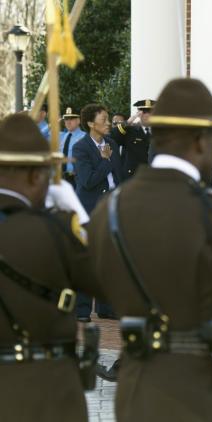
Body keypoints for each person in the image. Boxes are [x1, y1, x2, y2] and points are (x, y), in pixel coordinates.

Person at [86, 78, 212, 421]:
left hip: (137, 393)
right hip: (206, 393)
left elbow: (97, 284)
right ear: (200, 141)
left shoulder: (109, 210)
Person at [0, 113, 100, 422]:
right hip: (49, 393)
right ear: (34, 176)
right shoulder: (58, 231)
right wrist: (77, 217)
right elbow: (108, 280)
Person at [73, 104, 123, 322]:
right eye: (104, 119)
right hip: (90, 209)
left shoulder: (111, 143)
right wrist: (104, 161)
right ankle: (82, 310)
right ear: (91, 123)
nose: (109, 123)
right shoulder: (80, 148)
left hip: (111, 207)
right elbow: (88, 181)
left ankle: (106, 306)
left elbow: (119, 175)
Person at [109, 99, 155, 180]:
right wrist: (129, 121)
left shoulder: (160, 133)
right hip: (132, 178)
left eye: (150, 111)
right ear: (139, 114)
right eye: (144, 112)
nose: (147, 115)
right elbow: (112, 137)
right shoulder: (130, 130)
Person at [59, 107, 86, 188]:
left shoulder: (84, 137)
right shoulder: (64, 136)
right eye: (66, 119)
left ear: (78, 121)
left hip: (77, 178)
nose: (68, 122)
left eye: (71, 119)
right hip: (63, 178)